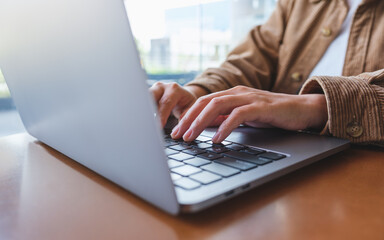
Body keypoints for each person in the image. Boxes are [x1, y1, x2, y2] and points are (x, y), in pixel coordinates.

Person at [150, 0, 384, 146]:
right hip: (279, 150)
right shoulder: (296, 4)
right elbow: (250, 61)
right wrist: (196, 95)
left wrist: (317, 108)